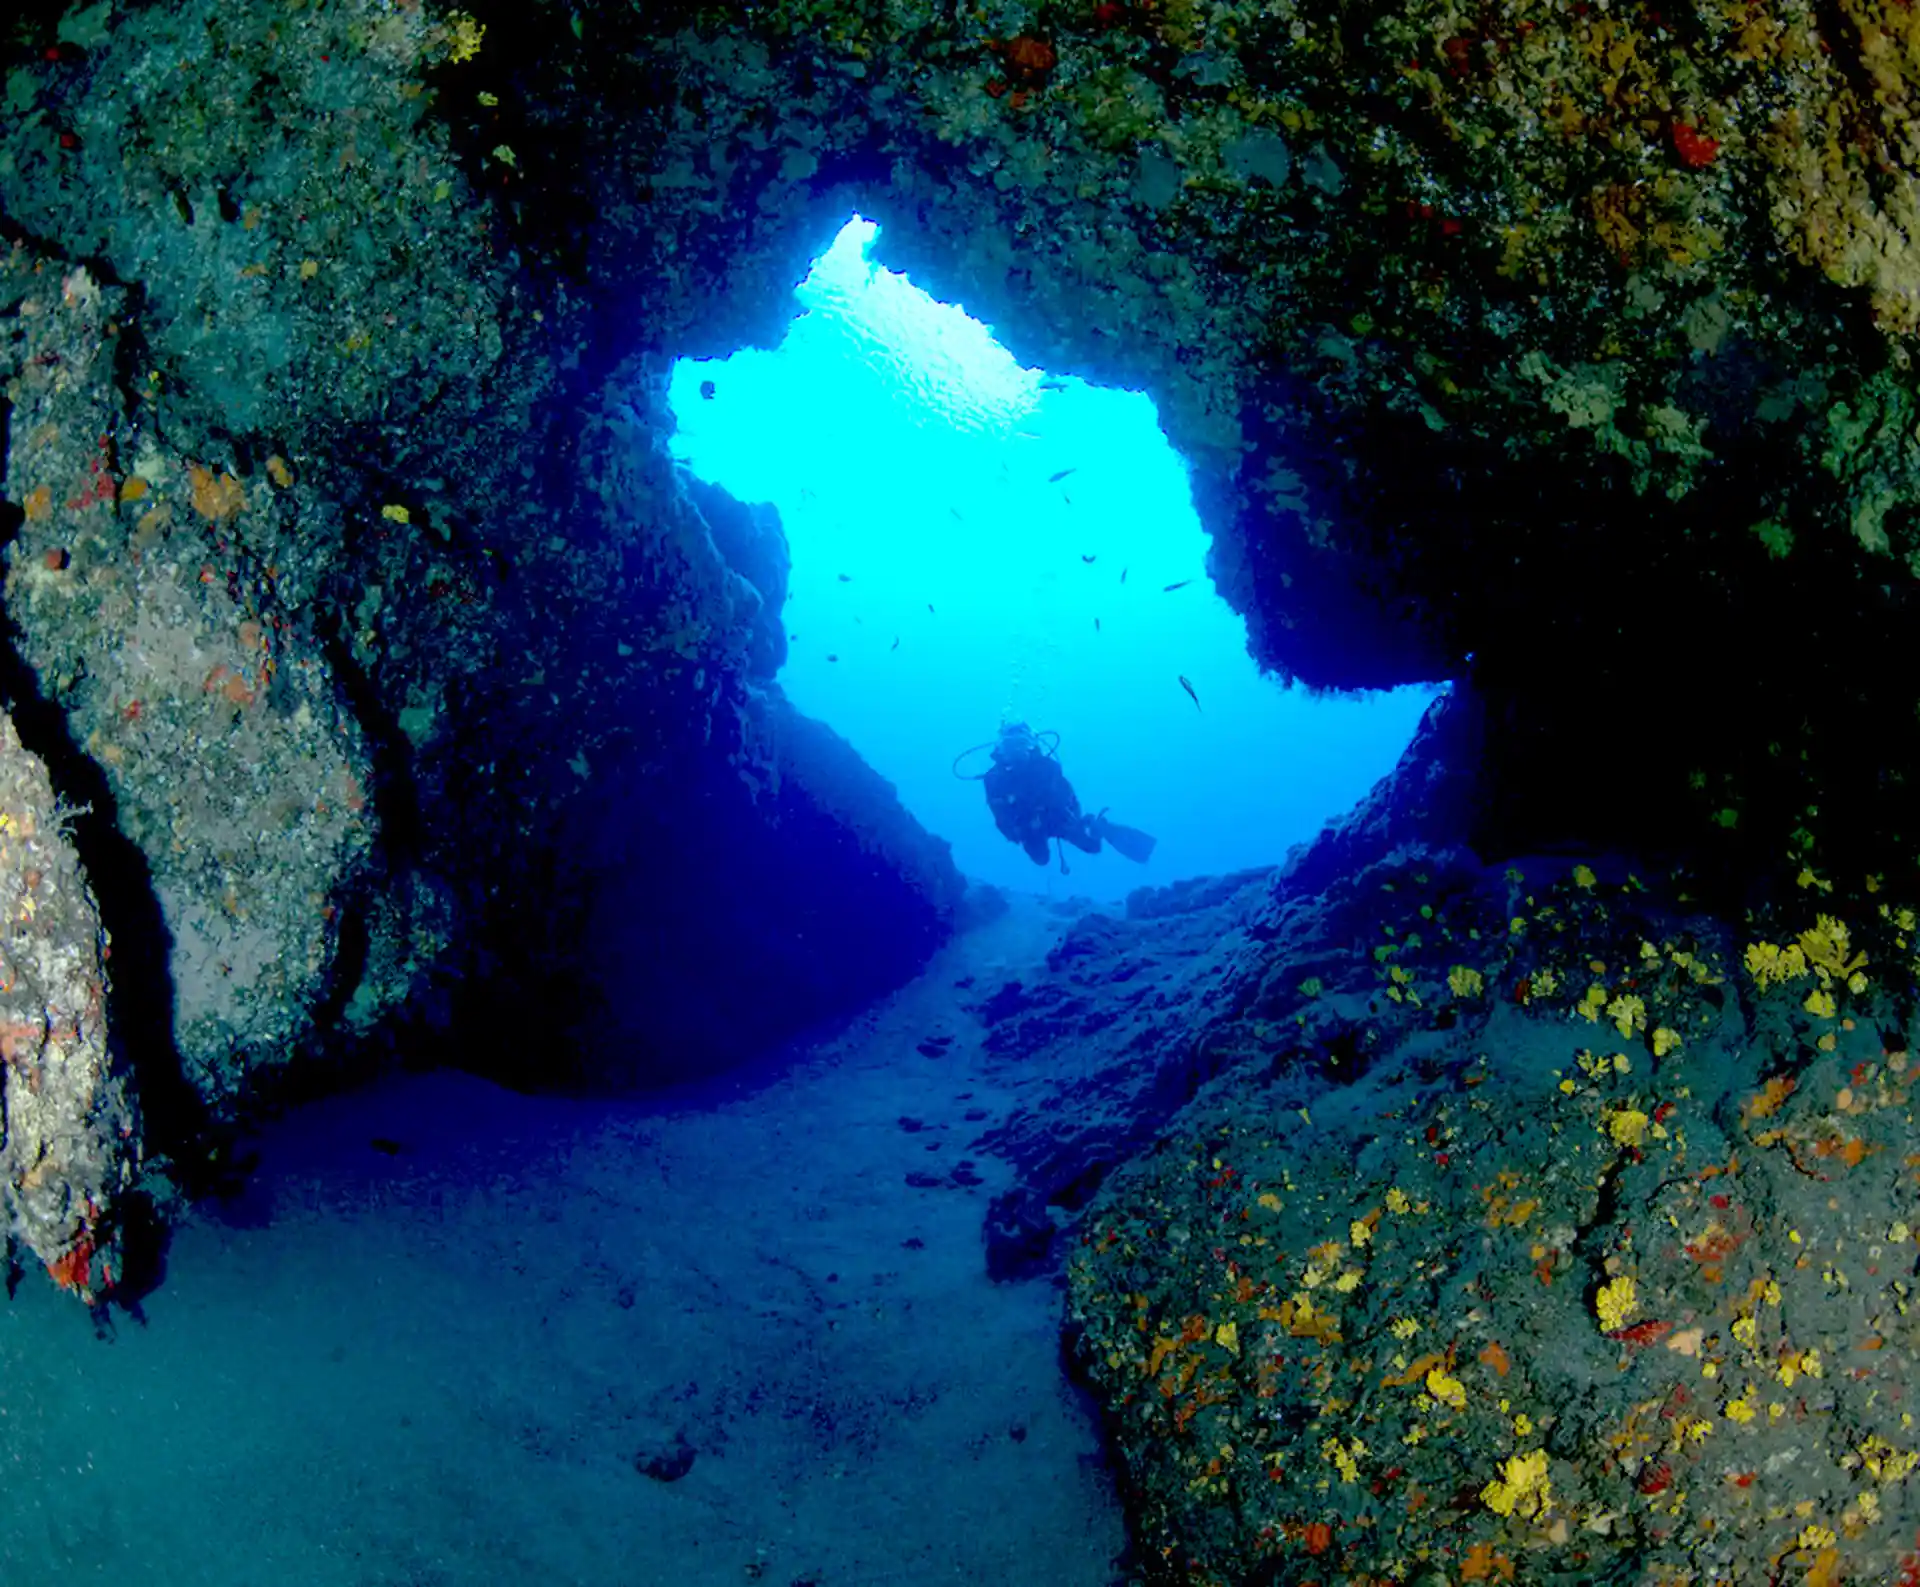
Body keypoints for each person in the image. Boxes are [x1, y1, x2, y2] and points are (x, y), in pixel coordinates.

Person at [979, 722, 1157, 870]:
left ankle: (1098, 825)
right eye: (1011, 745)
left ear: (1031, 745)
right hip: (1026, 827)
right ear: (1001, 749)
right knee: (1041, 859)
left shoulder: (1047, 767)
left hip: (1056, 817)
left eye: (1021, 744)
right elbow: (999, 815)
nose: (1017, 751)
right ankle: (1089, 826)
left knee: (1092, 847)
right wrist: (1017, 829)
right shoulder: (993, 779)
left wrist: (1069, 819)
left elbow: (1063, 798)